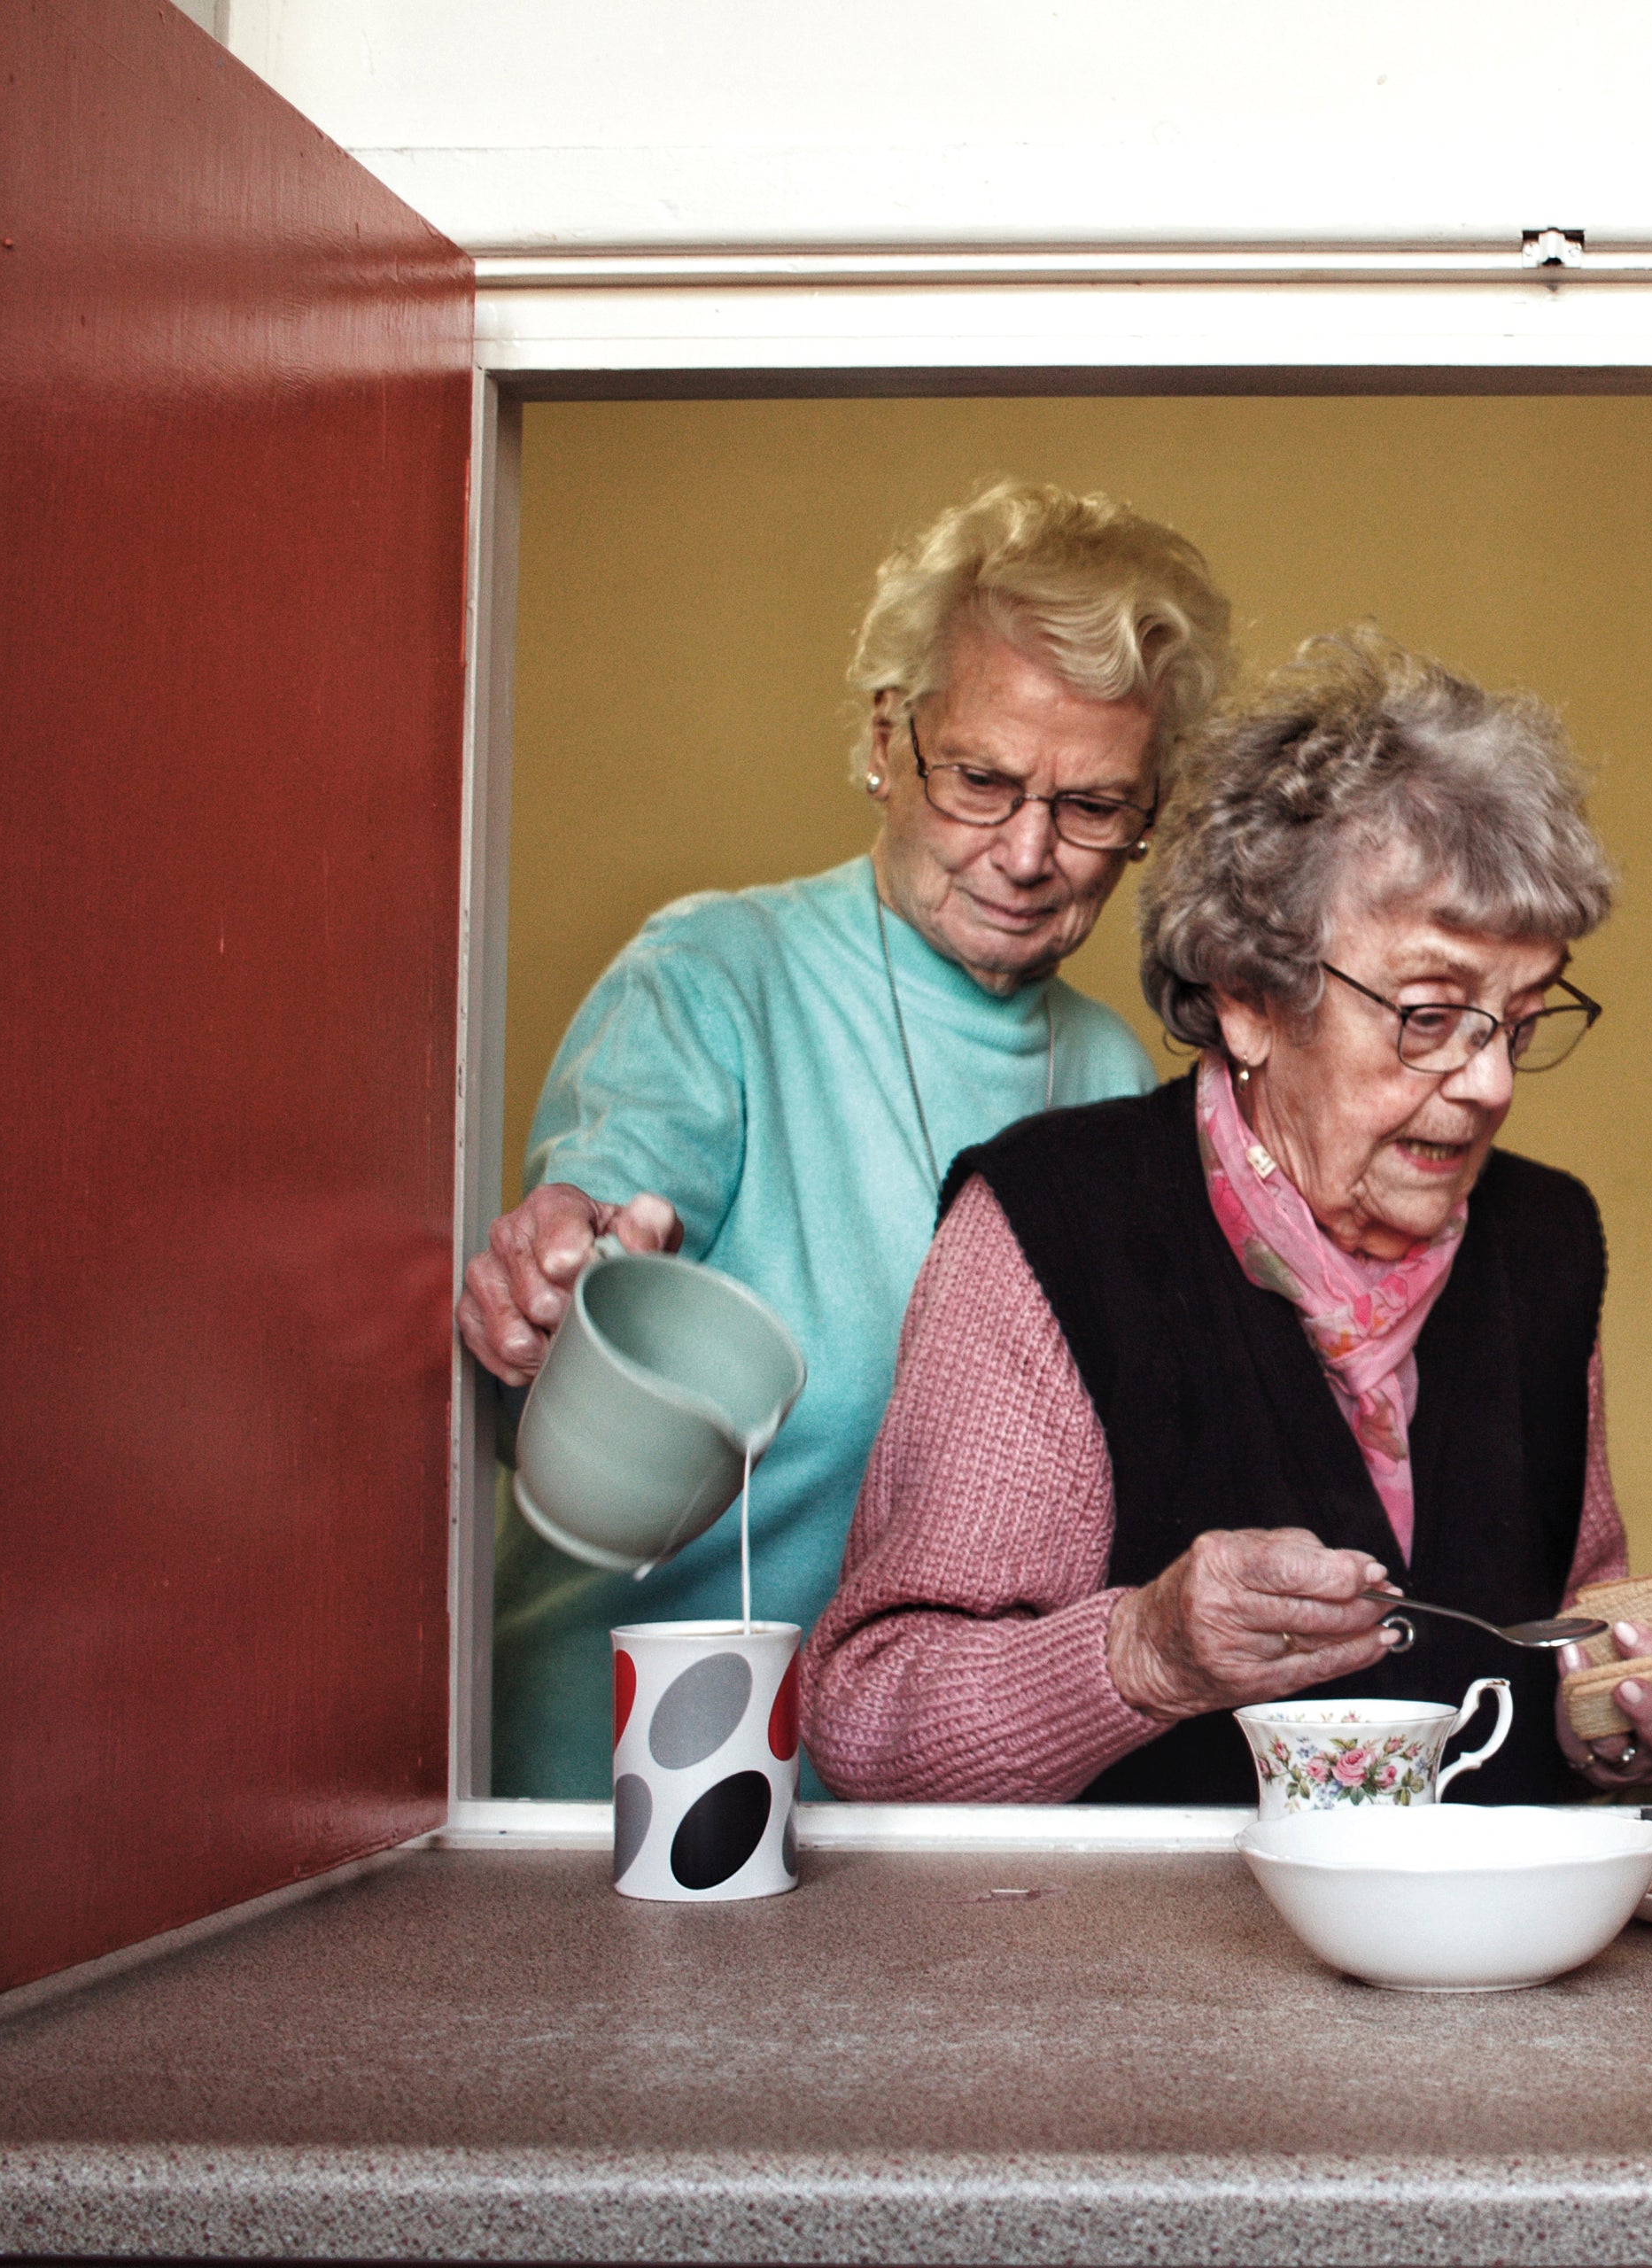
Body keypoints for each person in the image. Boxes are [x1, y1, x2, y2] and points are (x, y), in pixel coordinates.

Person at [802, 629, 1652, 1804]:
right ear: (1247, 1000)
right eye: (1431, 1014)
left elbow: (1577, 1617)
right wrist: (1142, 1654)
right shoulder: (1058, 1230)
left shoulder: (1543, 1243)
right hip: (1151, 1978)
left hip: (1497, 1964)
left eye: (1522, 1019)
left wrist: (1622, 1706)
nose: (1491, 1082)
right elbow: (873, 1719)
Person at [458, 479, 1232, 1799]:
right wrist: (563, 1270)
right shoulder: (713, 974)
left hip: (928, 1824)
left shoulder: (1114, 1069)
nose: (1031, 851)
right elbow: (601, 1215)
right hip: (623, 1790)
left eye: (1095, 806)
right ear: (888, 740)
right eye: (983, 778)